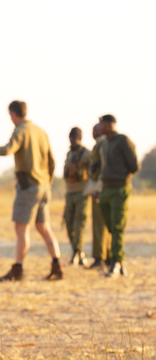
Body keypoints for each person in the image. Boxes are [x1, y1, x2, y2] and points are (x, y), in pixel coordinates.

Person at [0, 100, 61, 282]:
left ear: (13, 114)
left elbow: (8, 150)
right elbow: (52, 161)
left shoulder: (21, 131)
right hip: (44, 187)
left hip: (29, 187)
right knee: (44, 227)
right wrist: (48, 182)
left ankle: (18, 269)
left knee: (22, 229)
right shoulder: (40, 132)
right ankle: (57, 265)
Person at [96, 114, 138, 276]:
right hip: (106, 189)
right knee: (111, 226)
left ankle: (117, 262)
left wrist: (121, 176)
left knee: (117, 227)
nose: (100, 127)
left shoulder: (123, 141)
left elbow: (134, 166)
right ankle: (117, 258)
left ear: (110, 124)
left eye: (102, 124)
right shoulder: (104, 144)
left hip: (120, 188)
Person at [61, 127, 91, 265]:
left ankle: (77, 252)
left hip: (82, 192)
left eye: (75, 137)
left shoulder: (86, 154)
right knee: (68, 221)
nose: (72, 140)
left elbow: (92, 173)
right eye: (71, 137)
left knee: (79, 223)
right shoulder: (69, 154)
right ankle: (76, 250)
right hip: (70, 192)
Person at [86, 123, 110, 269]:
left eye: (95, 130)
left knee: (99, 225)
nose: (93, 133)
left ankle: (99, 258)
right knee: (105, 225)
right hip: (104, 189)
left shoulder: (102, 146)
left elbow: (103, 169)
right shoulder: (103, 145)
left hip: (99, 189)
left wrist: (98, 189)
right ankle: (106, 256)